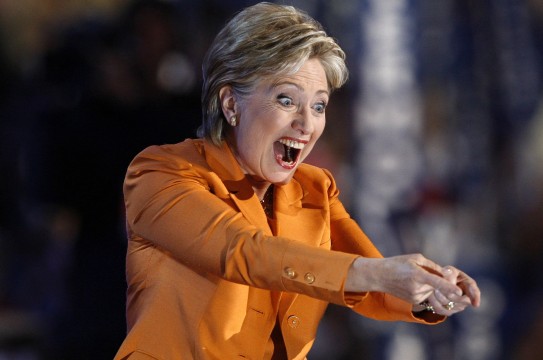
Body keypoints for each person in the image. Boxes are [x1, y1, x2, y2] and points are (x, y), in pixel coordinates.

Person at [114, 3, 481, 359]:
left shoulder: (315, 188)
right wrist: (379, 273)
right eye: (286, 100)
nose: (307, 124)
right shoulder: (158, 173)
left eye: (319, 105)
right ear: (230, 104)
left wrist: (431, 292)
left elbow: (372, 285)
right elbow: (243, 253)